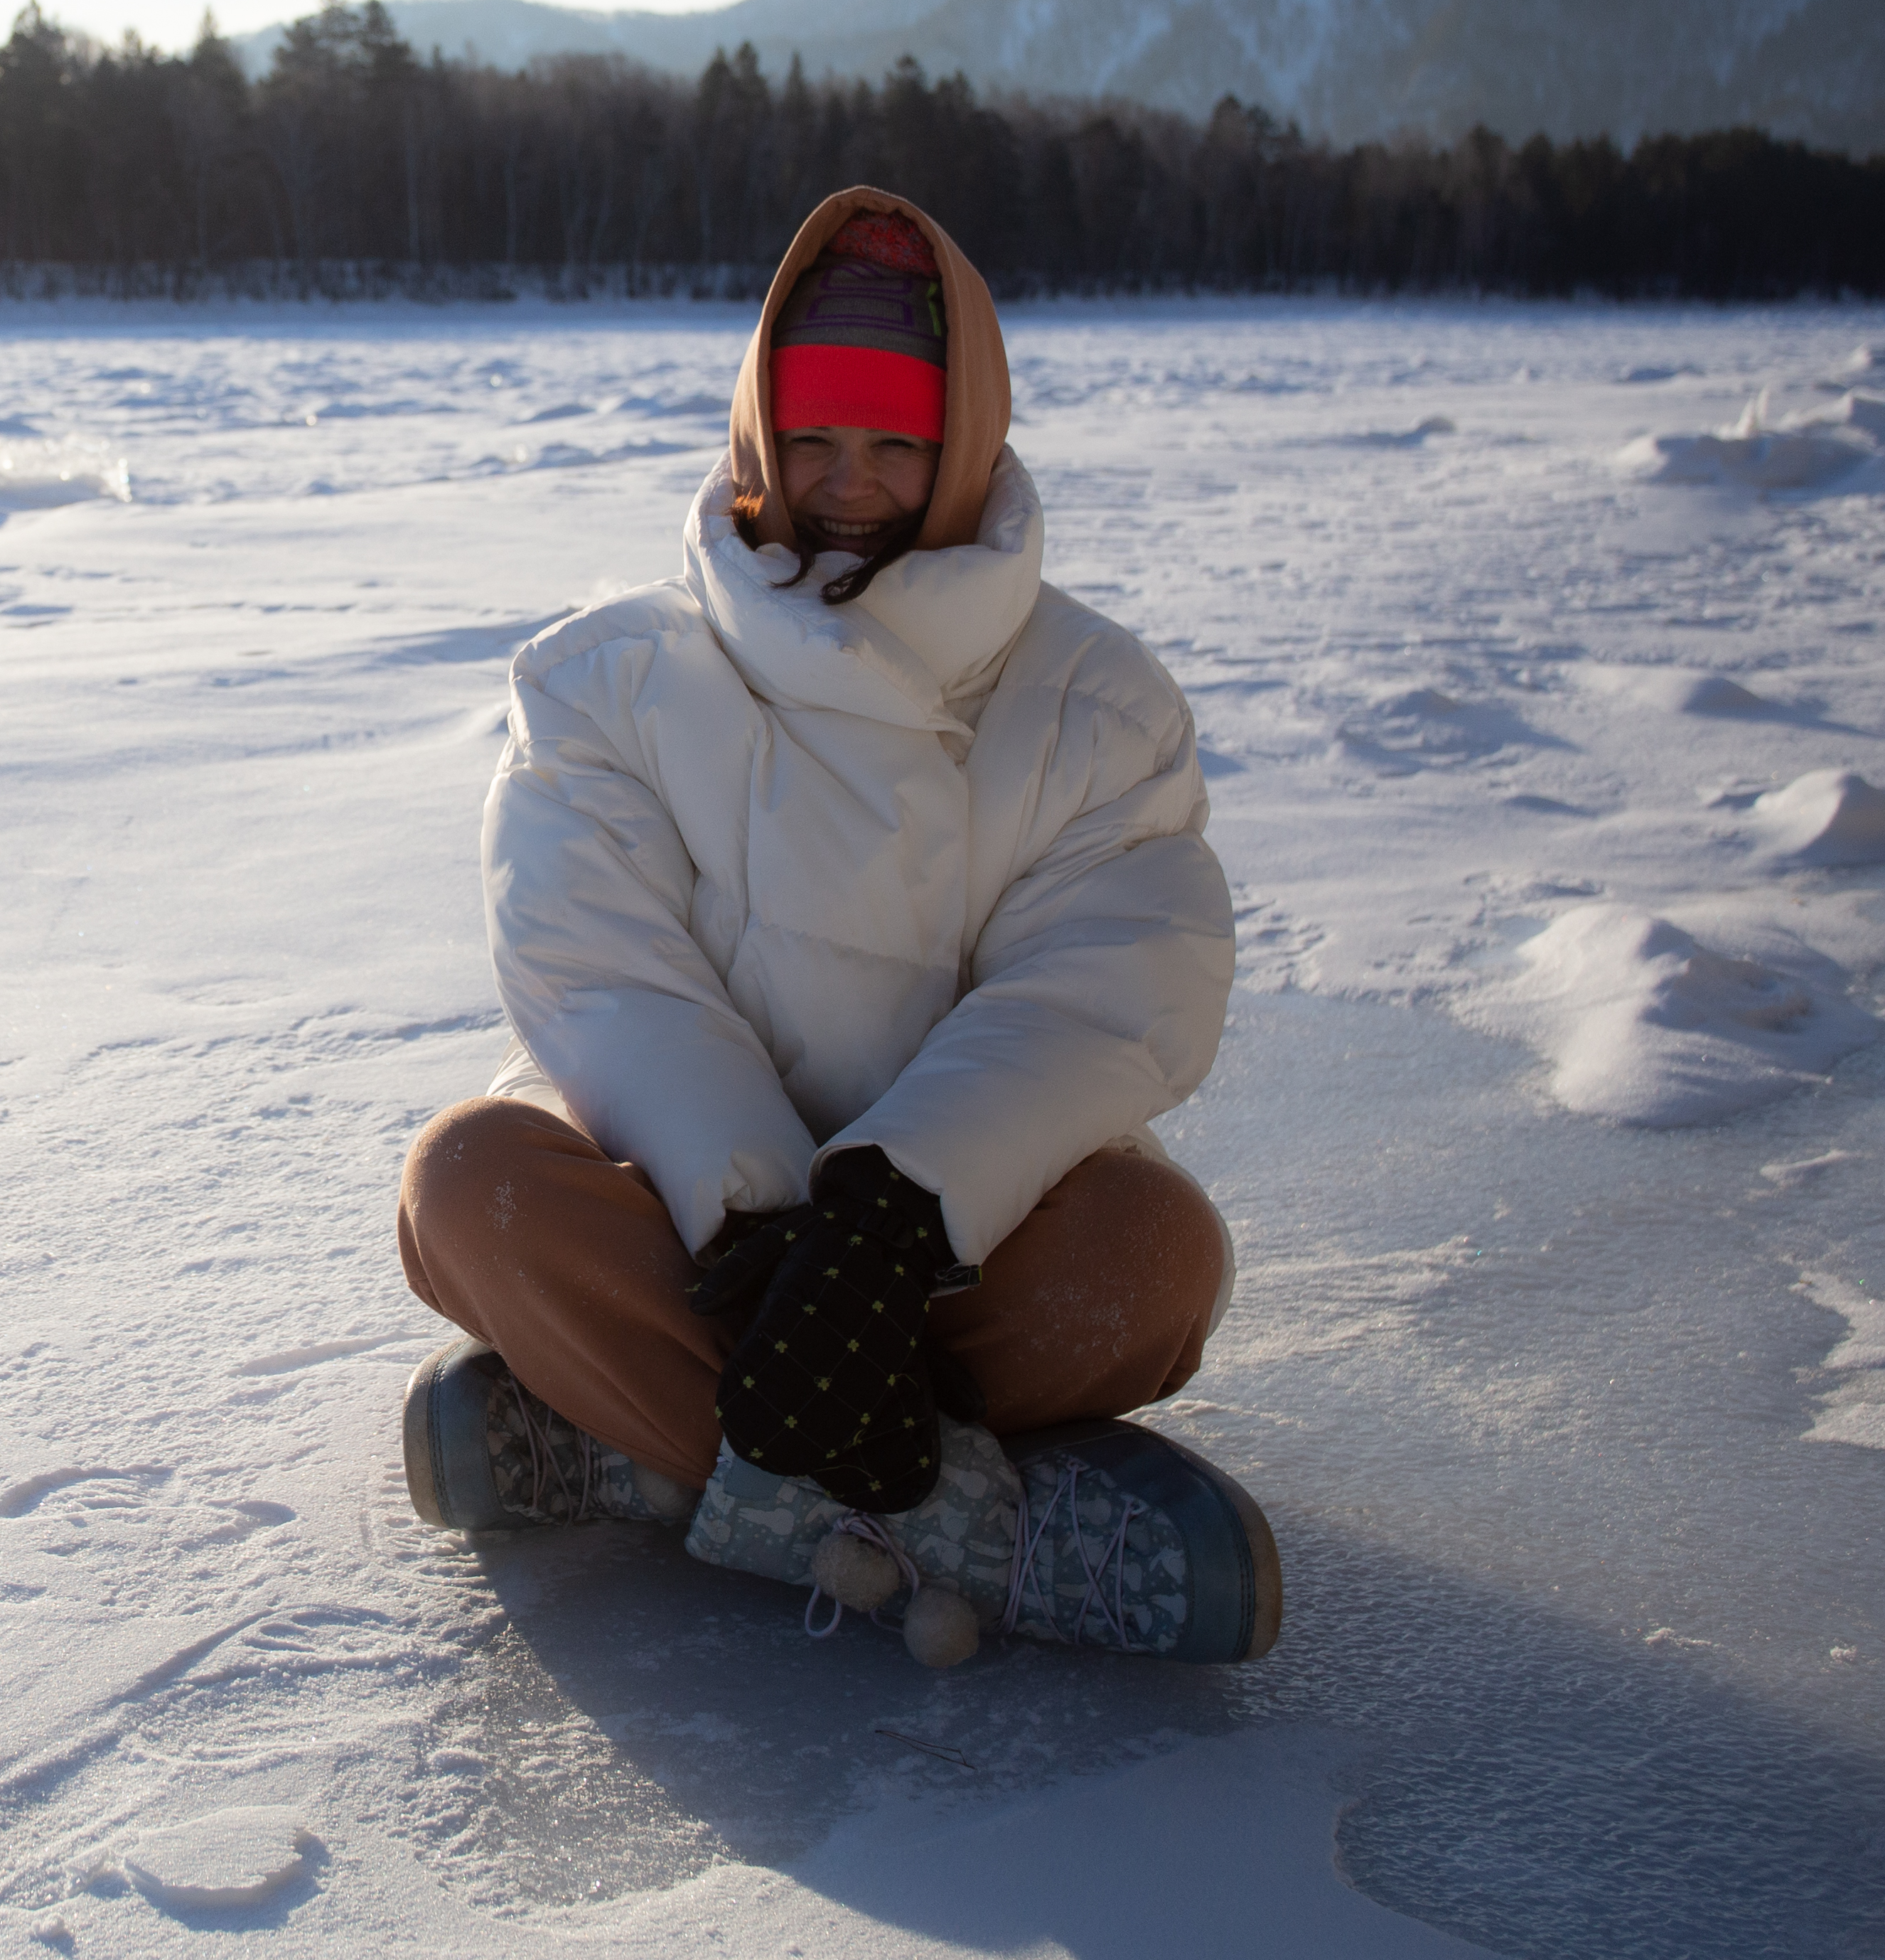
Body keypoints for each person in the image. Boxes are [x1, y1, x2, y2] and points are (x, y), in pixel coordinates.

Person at [394, 186, 1280, 1667]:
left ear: (963, 441)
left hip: (951, 1255)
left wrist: (886, 1225)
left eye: (893, 442)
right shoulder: (606, 680)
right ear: (758, 439)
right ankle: (971, 1526)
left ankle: (626, 1448)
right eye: (811, 441)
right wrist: (754, 1227)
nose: (850, 482)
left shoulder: (1099, 705)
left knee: (1155, 1260)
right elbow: (604, 974)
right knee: (469, 1188)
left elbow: (1109, 986)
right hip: (689, 1227)